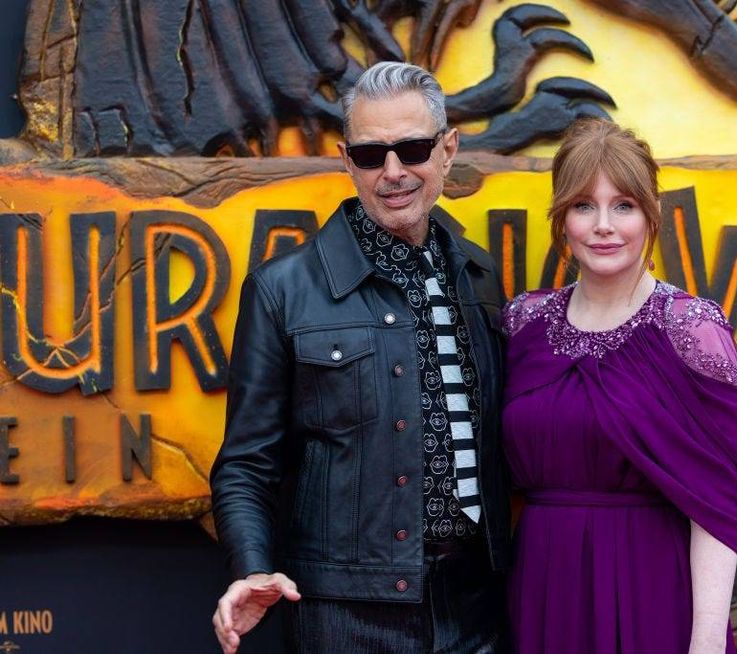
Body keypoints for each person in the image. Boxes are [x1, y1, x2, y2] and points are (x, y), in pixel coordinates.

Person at [210, 61, 512, 654]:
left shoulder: (478, 276)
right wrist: (250, 568)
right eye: (373, 155)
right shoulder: (283, 290)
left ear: (448, 150)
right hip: (347, 615)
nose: (394, 172)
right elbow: (245, 464)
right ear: (348, 161)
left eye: (414, 148)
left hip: (477, 605)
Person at [502, 119, 737, 653]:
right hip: (543, 589)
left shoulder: (692, 329)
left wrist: (706, 641)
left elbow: (717, 505)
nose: (603, 226)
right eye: (584, 205)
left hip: (652, 591)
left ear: (650, 215)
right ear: (562, 218)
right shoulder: (523, 323)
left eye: (623, 206)